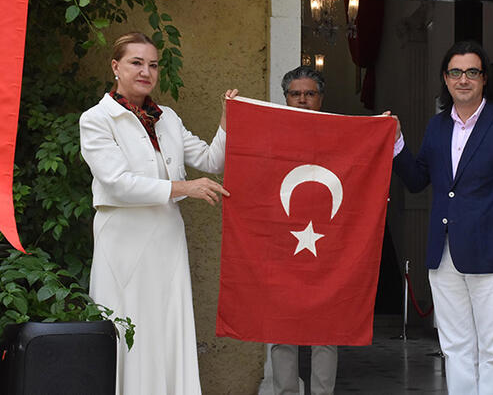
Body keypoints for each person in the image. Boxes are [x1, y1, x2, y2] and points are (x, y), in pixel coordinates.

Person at [79, 31, 237, 395]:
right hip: (123, 240)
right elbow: (117, 183)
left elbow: (212, 161)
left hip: (167, 238)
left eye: (152, 65)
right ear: (115, 66)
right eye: (136, 63)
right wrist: (184, 188)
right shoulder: (96, 119)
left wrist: (227, 120)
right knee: (128, 327)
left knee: (168, 327)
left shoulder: (168, 118)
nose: (145, 71)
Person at [390, 40, 493, 395]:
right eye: (455, 72)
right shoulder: (437, 127)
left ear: (484, 78)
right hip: (444, 257)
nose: (463, 79)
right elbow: (417, 180)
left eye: (472, 72)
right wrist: (396, 141)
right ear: (445, 78)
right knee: (455, 348)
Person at [268, 66, 337, 395]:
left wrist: (382, 131)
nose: (303, 100)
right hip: (282, 245)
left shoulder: (340, 134)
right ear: (285, 98)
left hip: (328, 245)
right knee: (282, 330)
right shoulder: (271, 135)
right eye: (295, 94)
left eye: (310, 93)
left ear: (321, 98)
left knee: (326, 331)